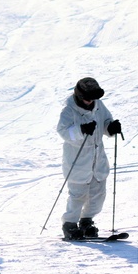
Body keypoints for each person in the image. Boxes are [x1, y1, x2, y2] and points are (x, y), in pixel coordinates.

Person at [56, 77, 122, 240]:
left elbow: (106, 122)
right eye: (87, 98)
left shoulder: (99, 106)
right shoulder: (69, 110)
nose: (89, 101)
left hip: (97, 159)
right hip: (77, 160)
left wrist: (111, 127)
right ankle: (70, 224)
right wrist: (80, 130)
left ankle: (86, 221)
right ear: (78, 96)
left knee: (98, 195)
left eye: (92, 98)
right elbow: (63, 131)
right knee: (77, 196)